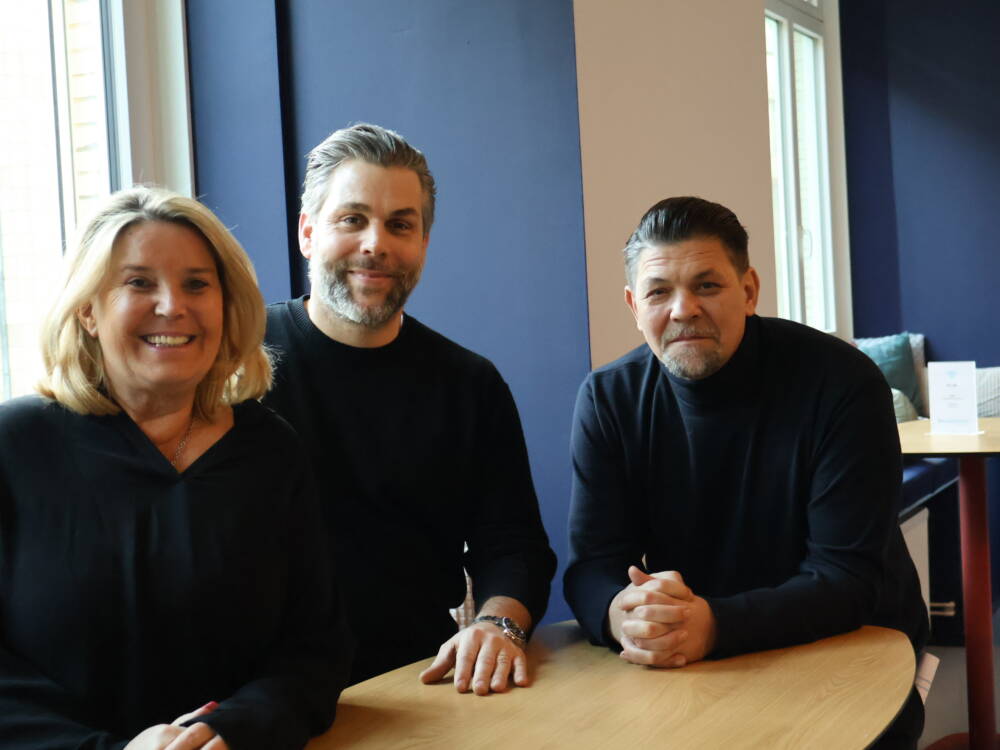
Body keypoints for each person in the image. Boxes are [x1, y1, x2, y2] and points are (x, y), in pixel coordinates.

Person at [563, 197, 928, 747]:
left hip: (854, 646)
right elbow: (592, 565)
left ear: (749, 290)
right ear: (634, 305)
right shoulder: (608, 399)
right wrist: (621, 614)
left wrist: (714, 624)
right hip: (698, 658)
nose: (683, 309)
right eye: (659, 292)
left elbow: (848, 579)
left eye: (707, 285)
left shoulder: (841, 383)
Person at [0, 187, 350, 750]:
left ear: (224, 306)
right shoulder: (13, 447)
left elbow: (315, 651)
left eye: (196, 283)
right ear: (87, 310)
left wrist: (229, 728)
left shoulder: (270, 451)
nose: (172, 305)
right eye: (139, 282)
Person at [264, 123, 556, 694]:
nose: (377, 243)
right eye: (352, 219)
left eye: (401, 224)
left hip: (417, 684)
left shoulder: (469, 383)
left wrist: (499, 625)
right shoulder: (235, 364)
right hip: (260, 694)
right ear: (307, 231)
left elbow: (515, 547)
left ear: (422, 243)